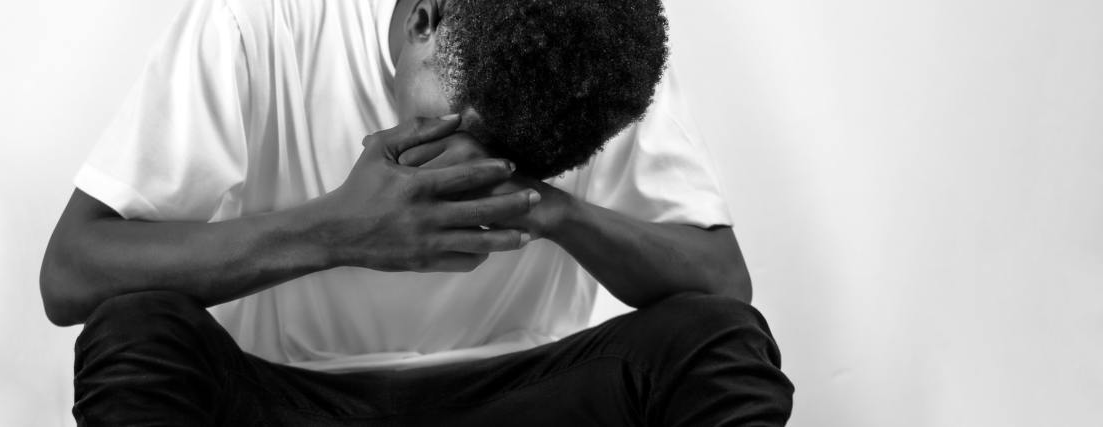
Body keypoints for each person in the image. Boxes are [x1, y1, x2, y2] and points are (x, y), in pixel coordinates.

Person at [40, 0, 794, 424]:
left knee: (718, 343)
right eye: (465, 126)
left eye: (512, 154)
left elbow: (721, 282)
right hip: (291, 397)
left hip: (521, 399)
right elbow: (72, 272)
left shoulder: (597, 65)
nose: (471, 162)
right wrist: (333, 229)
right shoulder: (258, 21)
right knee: (135, 336)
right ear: (425, 19)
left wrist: (548, 208)